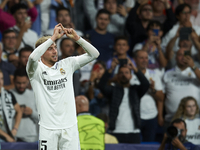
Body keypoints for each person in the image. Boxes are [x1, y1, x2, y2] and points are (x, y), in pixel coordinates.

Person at [26, 23, 99, 149]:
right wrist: (53, 37)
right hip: (48, 129)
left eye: (55, 47)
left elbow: (94, 54)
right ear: (42, 52)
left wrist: (77, 39)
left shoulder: (67, 64)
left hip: (69, 127)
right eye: (50, 48)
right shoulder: (35, 71)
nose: (55, 51)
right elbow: (32, 57)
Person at [98, 61, 150, 143]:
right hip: (116, 131)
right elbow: (101, 85)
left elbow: (146, 84)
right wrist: (110, 69)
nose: (124, 75)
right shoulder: (113, 90)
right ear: (117, 76)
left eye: (126, 73)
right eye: (121, 73)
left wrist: (135, 69)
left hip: (133, 131)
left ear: (131, 76)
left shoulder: (136, 90)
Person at [162, 48, 200, 128]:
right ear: (175, 57)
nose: (183, 57)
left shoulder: (196, 72)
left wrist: (193, 66)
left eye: (186, 55)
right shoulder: (167, 74)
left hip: (194, 120)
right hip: (171, 119)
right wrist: (160, 116)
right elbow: (162, 97)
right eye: (180, 55)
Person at [134, 50, 164, 141]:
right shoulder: (129, 74)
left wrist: (153, 90)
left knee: (149, 145)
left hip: (151, 116)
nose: (144, 60)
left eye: (146, 58)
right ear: (135, 59)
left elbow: (161, 98)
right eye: (141, 58)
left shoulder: (154, 74)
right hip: (134, 116)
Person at [10, 68, 38, 142]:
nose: (21, 86)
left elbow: (43, 118)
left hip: (30, 137)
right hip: (13, 137)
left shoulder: (34, 95)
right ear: (14, 81)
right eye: (18, 83)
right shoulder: (8, 95)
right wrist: (17, 112)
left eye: (24, 83)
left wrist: (32, 113)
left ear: (28, 81)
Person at [0, 70, 22, 142]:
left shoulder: (8, 94)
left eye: (2, 78)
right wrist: (7, 136)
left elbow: (19, 111)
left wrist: (15, 129)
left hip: (9, 135)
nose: (0, 82)